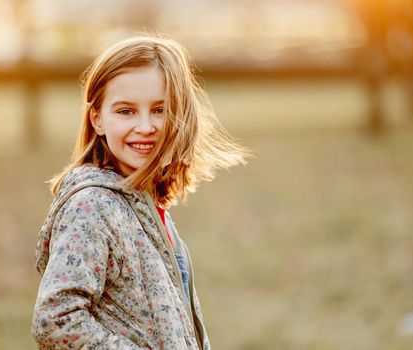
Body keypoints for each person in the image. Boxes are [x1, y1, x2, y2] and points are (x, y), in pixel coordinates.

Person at [31, 34, 251, 350]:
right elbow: (55, 320)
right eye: (126, 111)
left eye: (160, 110)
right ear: (98, 119)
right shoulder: (92, 205)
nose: (146, 126)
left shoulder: (144, 204)